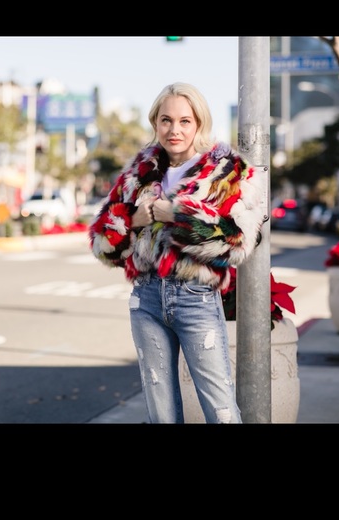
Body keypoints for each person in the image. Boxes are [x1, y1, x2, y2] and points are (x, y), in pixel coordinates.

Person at [88, 82, 265, 424]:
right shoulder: (139, 173)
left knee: (221, 408)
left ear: (199, 123)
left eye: (185, 121)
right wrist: (133, 220)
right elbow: (102, 243)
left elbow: (238, 241)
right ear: (155, 123)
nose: (175, 130)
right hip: (146, 299)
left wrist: (179, 215)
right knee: (161, 412)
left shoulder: (225, 173)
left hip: (196, 299)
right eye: (166, 120)